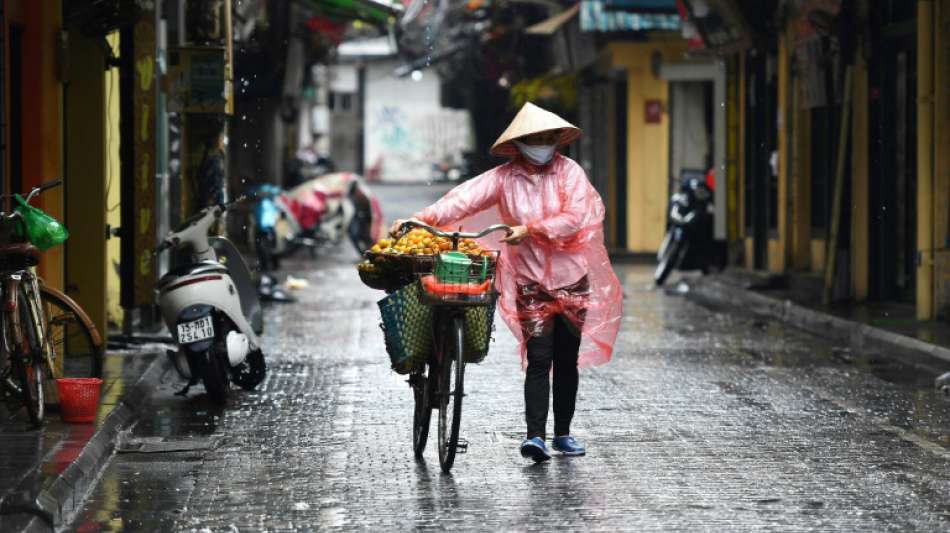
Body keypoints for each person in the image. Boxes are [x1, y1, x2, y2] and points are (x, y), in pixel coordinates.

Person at [390, 102, 623, 462]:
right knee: (539, 357)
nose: (542, 143)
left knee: (566, 358)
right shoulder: (503, 178)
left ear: (557, 140)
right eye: (534, 138)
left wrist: (531, 229)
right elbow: (461, 200)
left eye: (547, 137)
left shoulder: (570, 173)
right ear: (520, 143)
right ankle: (535, 437)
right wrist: (419, 218)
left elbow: (576, 216)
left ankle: (562, 433)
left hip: (572, 279)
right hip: (530, 282)